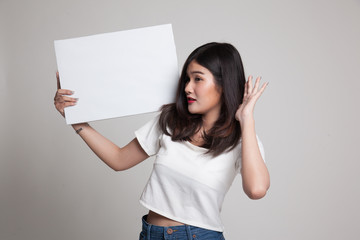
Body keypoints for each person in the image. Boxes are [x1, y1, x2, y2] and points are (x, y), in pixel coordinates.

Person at [54, 42, 270, 240]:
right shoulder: (171, 121)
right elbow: (119, 160)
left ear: (224, 85)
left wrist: (246, 119)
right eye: (187, 78)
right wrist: (77, 121)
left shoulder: (242, 139)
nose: (187, 87)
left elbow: (256, 189)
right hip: (151, 233)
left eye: (198, 78)